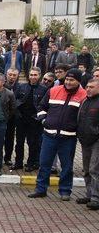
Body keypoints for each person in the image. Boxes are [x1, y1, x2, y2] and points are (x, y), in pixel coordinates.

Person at [29, 68, 87, 200]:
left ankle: (65, 191)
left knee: (67, 166)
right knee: (44, 163)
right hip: (49, 135)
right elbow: (41, 107)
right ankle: (40, 189)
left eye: (72, 80)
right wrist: (44, 120)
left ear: (78, 81)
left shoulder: (84, 96)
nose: (68, 82)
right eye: (67, 79)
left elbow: (84, 117)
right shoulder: (53, 90)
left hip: (69, 137)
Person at [12, 67, 48, 172]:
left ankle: (31, 163)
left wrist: (39, 118)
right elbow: (15, 101)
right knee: (19, 143)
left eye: (35, 75)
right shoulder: (21, 87)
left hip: (35, 121)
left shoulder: (44, 89)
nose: (33, 77)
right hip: (21, 119)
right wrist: (17, 114)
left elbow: (45, 106)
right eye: (31, 75)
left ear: (39, 76)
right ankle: (18, 163)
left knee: (32, 143)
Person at [77, 79, 99, 210]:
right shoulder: (85, 100)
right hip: (85, 140)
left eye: (92, 87)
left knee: (94, 169)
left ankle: (96, 198)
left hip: (96, 140)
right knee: (86, 169)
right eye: (87, 86)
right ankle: (89, 194)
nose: (88, 89)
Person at [3, 68, 20, 166]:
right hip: (2, 116)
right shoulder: (1, 86)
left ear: (17, 76)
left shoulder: (20, 87)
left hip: (13, 117)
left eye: (14, 75)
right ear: (6, 75)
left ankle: (8, 158)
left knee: (10, 138)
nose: (12, 77)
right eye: (10, 74)